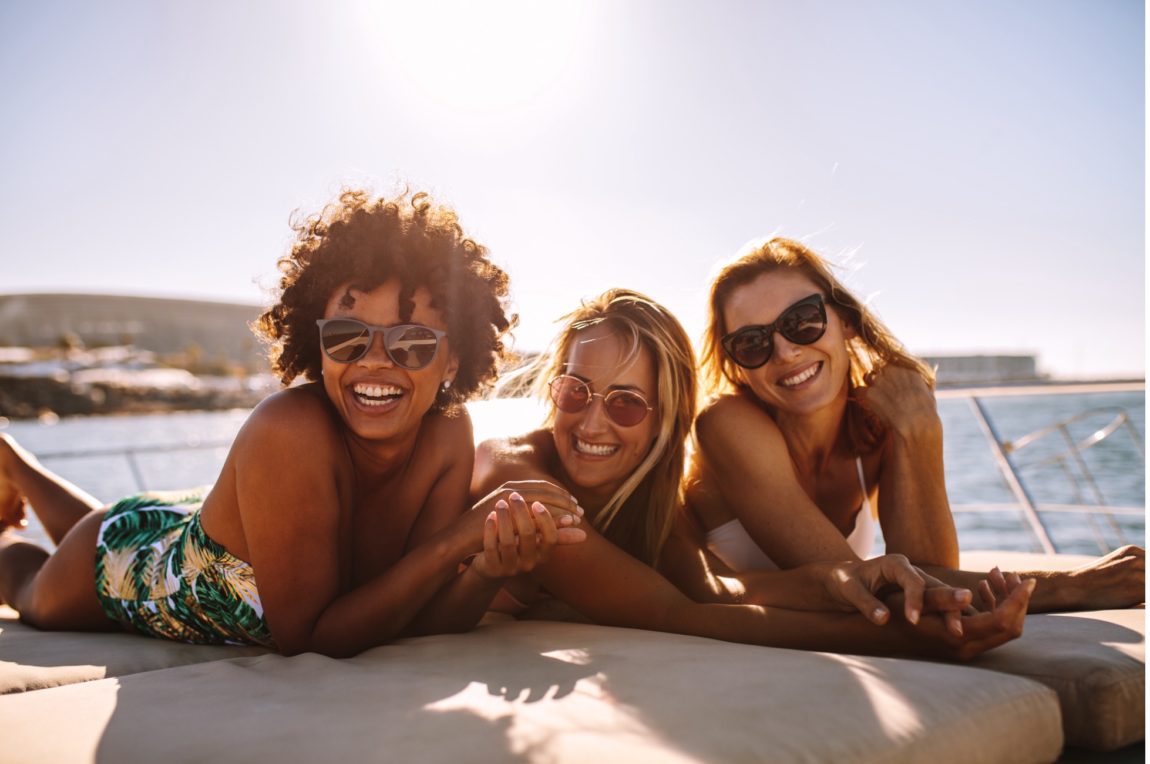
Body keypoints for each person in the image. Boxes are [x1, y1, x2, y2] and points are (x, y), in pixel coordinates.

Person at [0, 188, 585, 657]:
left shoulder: (447, 431)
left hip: (205, 520)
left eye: (411, 343)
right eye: (348, 337)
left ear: (453, 359)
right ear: (316, 342)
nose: (375, 360)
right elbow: (311, 636)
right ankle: (12, 477)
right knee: (29, 585)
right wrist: (460, 539)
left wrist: (483, 568)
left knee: (95, 523)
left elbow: (422, 616)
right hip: (136, 566)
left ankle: (13, 464)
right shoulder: (290, 431)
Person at [473, 288, 1034, 660]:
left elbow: (717, 590)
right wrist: (912, 641)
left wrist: (850, 581)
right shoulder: (520, 477)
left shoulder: (641, 497)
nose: (591, 422)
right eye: (575, 391)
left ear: (665, 421)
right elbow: (680, 614)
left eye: (626, 403)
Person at [689, 236, 1144, 611]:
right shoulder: (728, 425)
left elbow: (929, 571)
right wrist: (1078, 587)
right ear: (736, 365)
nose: (786, 352)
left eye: (802, 321)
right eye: (752, 343)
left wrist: (918, 427)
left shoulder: (876, 424)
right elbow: (861, 586)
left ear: (845, 320)